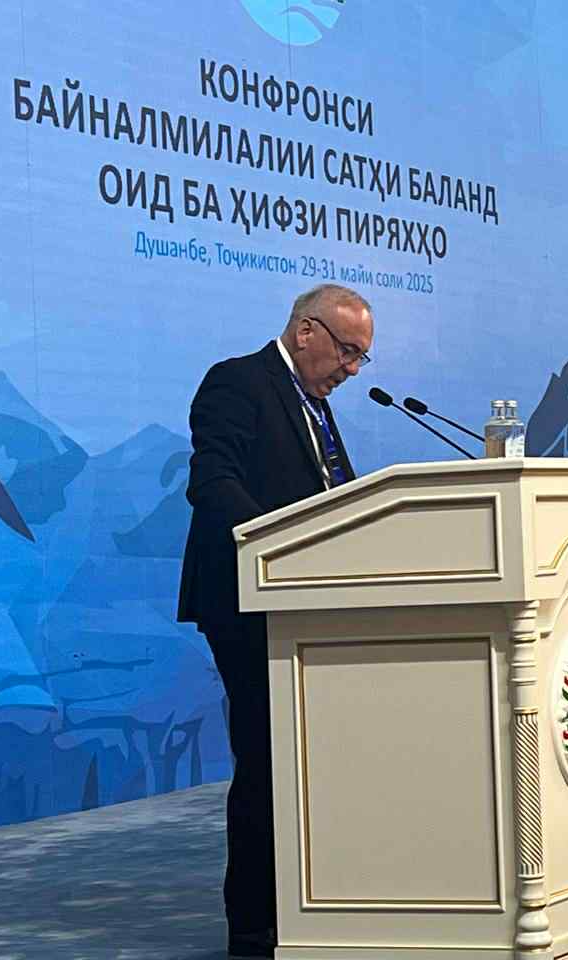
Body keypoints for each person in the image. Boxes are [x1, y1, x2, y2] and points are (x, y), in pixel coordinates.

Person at [177, 284, 373, 959]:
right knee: (266, 757)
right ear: (306, 331)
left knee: (315, 759)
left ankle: (317, 900)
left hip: (309, 604)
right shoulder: (237, 382)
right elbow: (212, 484)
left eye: (361, 358)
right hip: (248, 601)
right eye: (347, 351)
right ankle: (255, 925)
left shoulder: (314, 403)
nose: (352, 369)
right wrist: (281, 548)